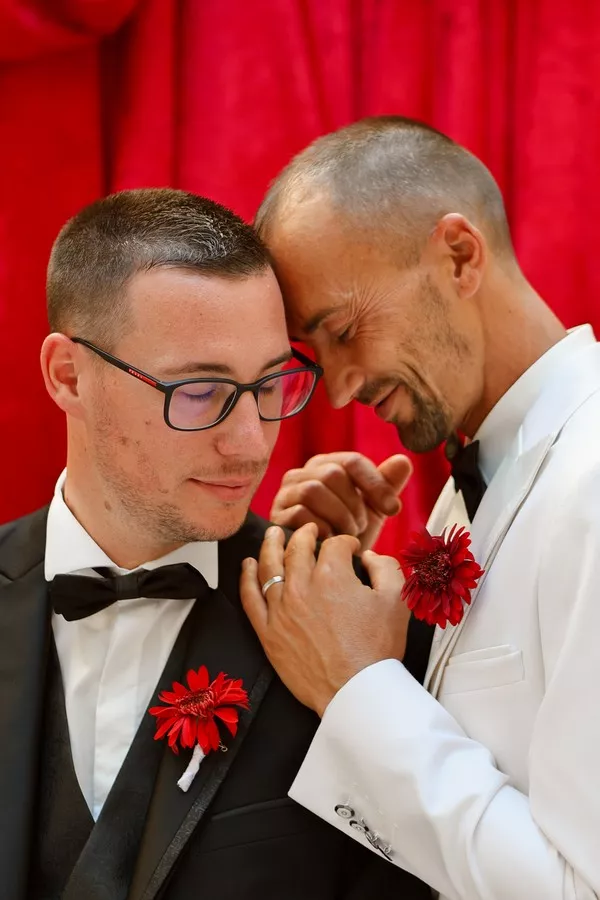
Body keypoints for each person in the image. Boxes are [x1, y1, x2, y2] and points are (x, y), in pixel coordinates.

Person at [0, 188, 431, 900]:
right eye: (199, 392)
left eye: (272, 384)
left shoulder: (352, 624)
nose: (251, 443)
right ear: (68, 376)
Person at [240, 116, 600, 899]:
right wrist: (357, 594)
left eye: (343, 330)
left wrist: (357, 684)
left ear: (460, 256)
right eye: (317, 355)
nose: (339, 391)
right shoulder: (474, 486)